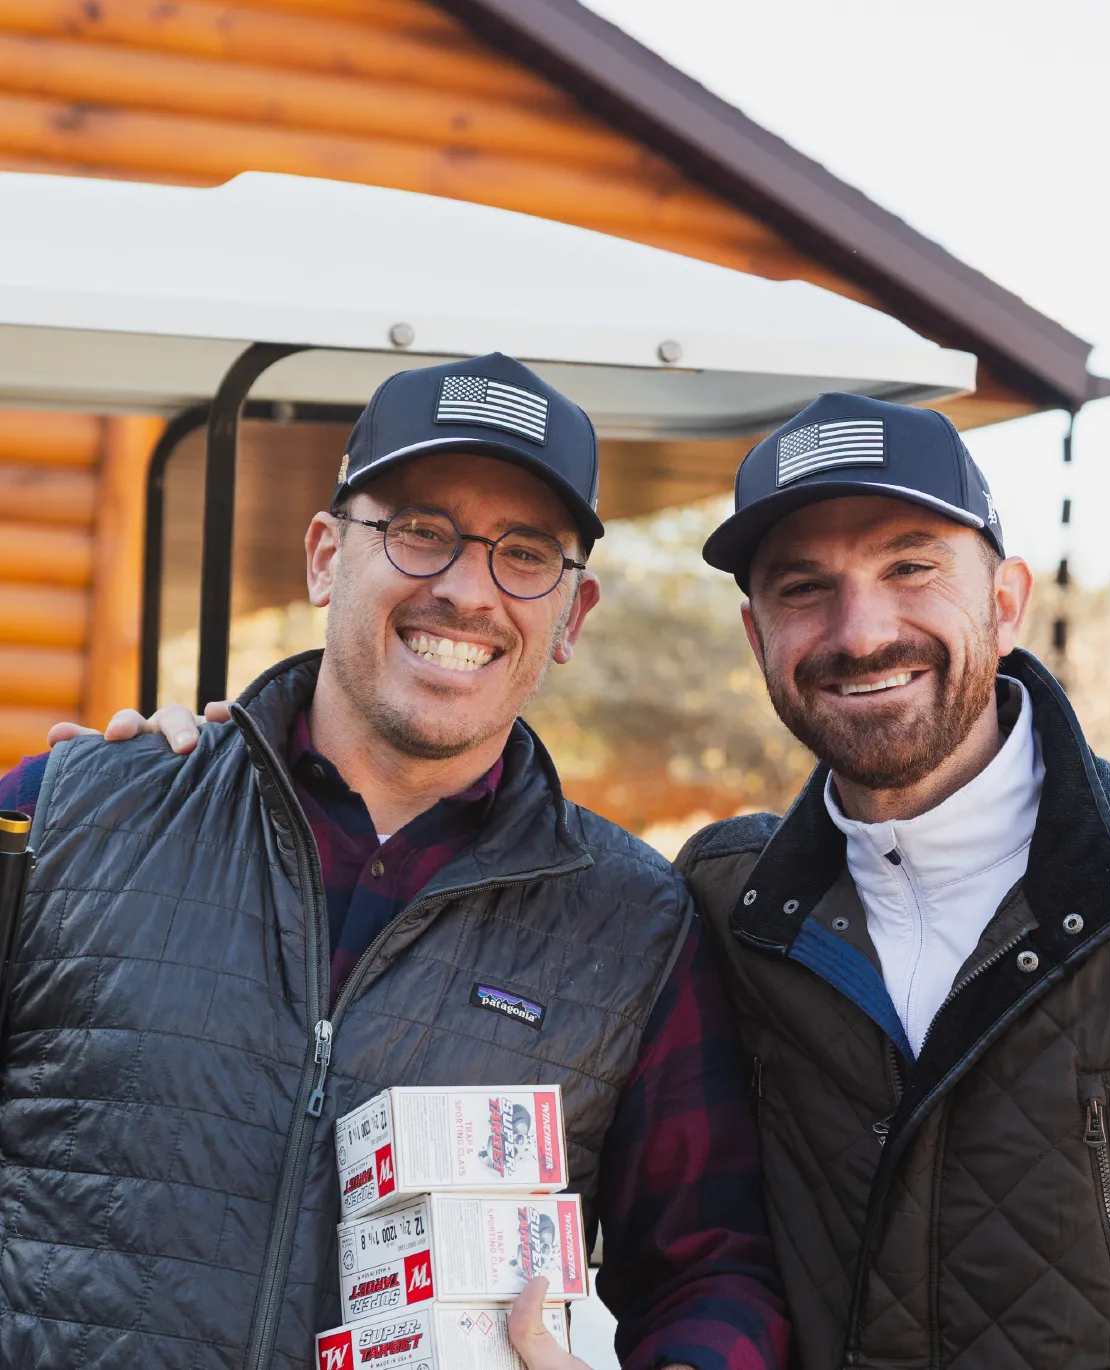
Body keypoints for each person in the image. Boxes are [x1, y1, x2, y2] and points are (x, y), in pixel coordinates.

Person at [0, 354, 788, 1370]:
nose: (467, 590)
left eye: (526, 552)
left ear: (570, 618)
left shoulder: (635, 926)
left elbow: (712, 1264)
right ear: (327, 556)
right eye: (421, 531)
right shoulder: (69, 814)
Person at [678, 390, 1110, 1369]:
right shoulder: (720, 902)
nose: (862, 631)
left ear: (1005, 602)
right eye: (803, 587)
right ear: (757, 638)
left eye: (910, 567)